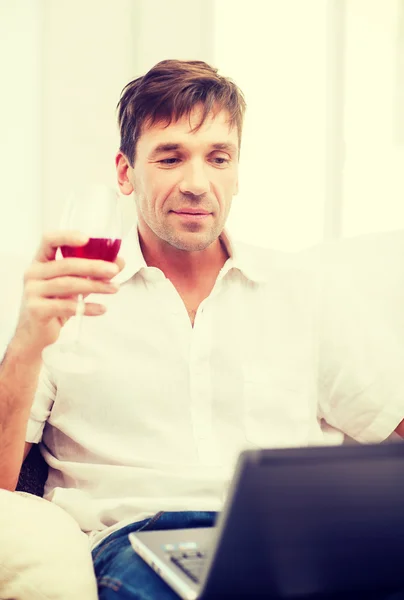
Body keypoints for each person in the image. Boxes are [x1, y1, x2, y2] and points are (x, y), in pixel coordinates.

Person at [0, 59, 403, 600]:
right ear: (125, 172)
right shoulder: (64, 294)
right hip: (137, 544)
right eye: (170, 157)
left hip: (292, 547)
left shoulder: (304, 291)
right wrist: (27, 343)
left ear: (236, 171)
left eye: (218, 158)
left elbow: (392, 421)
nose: (197, 183)